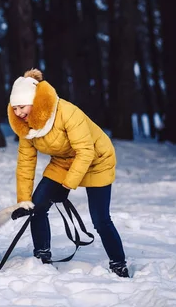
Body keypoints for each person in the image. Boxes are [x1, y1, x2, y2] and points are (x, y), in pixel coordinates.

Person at [7, 68, 129, 278]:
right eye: (14, 108)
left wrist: (66, 186)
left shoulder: (67, 112)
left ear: (35, 102)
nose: (18, 113)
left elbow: (86, 151)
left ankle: (118, 263)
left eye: (22, 107)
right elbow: (26, 162)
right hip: (64, 161)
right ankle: (41, 256)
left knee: (100, 219)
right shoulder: (26, 127)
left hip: (97, 160)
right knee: (37, 206)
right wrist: (24, 201)